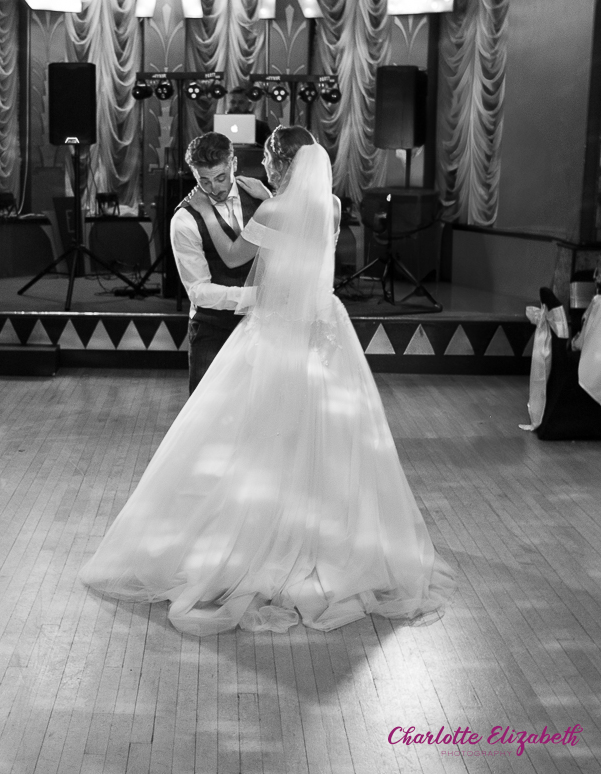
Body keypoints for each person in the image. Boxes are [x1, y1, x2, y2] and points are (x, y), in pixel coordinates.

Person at [80, 126, 455, 636]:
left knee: (253, 439)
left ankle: (252, 539)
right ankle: (323, 538)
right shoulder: (331, 207)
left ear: (277, 165)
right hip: (322, 332)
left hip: (278, 332)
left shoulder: (273, 210)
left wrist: (214, 213)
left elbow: (235, 258)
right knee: (317, 441)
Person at [170, 132, 271, 393]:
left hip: (264, 328)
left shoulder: (261, 198)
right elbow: (198, 291)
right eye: (204, 180)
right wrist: (253, 297)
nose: (214, 188)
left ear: (233, 164)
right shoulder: (184, 219)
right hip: (212, 328)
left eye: (220, 177)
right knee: (205, 420)